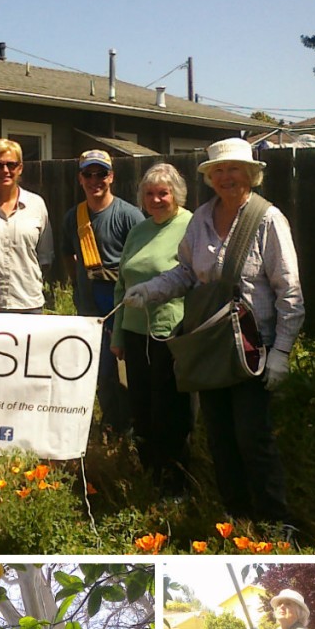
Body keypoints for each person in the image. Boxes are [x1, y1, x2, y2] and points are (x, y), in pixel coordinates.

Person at [123, 138, 304, 525]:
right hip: (210, 342)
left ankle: (275, 521)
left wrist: (282, 353)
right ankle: (236, 515)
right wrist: (150, 291)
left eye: (234, 169)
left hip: (254, 348)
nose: (226, 177)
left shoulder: (268, 219)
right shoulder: (202, 218)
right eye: (218, 171)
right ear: (209, 178)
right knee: (220, 436)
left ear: (251, 174)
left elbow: (289, 291)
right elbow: (186, 272)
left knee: (253, 438)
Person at [111, 163, 195, 497]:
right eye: (149, 193)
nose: (156, 199)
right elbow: (121, 285)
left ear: (177, 194)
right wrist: (118, 335)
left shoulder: (191, 226)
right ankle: (150, 479)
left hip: (171, 334)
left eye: (163, 192)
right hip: (134, 335)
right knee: (142, 412)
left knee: (171, 414)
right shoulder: (139, 230)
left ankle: (177, 487)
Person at [62, 150, 142, 439]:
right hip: (90, 310)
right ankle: (111, 424)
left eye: (101, 173)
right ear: (80, 178)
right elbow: (68, 257)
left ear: (111, 176)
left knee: (128, 372)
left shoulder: (128, 215)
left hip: (124, 307)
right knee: (101, 373)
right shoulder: (74, 217)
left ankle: (134, 426)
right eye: (88, 174)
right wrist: (79, 288)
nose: (95, 180)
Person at [0, 139, 54, 312]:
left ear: (20, 168)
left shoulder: (36, 205)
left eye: (11, 165)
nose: (5, 170)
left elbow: (44, 255)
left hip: (28, 304)